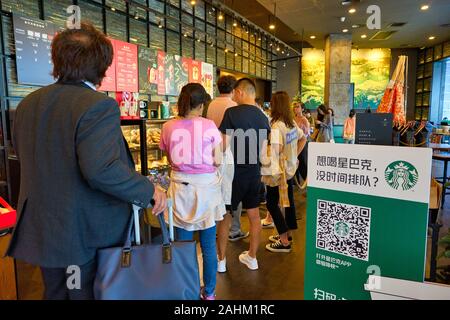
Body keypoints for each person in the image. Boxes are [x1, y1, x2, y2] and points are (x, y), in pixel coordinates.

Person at [5, 23, 166, 300]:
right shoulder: (97, 105)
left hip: (45, 227)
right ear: (102, 64)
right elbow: (101, 170)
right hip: (84, 232)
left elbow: (26, 156)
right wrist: (149, 189)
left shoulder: (28, 104)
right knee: (85, 293)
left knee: (56, 292)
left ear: (57, 60)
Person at [160, 83, 226, 300]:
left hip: (180, 190)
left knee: (183, 246)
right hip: (206, 191)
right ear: (201, 104)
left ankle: (186, 290)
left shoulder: (168, 126)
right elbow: (217, 160)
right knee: (208, 247)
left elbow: (169, 158)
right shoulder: (208, 126)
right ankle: (209, 293)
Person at [218, 78, 271, 270]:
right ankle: (252, 258)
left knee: (225, 216)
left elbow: (222, 146)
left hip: (233, 174)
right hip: (254, 173)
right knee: (254, 216)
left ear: (240, 92)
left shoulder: (231, 113)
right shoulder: (263, 117)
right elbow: (265, 150)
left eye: (235, 93)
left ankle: (222, 261)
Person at [205, 76, 248, 274]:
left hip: (212, 157)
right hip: (230, 157)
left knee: (216, 199)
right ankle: (234, 229)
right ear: (234, 89)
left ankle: (214, 239)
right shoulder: (234, 106)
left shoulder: (210, 105)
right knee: (231, 201)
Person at [263, 92, 306, 253]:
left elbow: (276, 150)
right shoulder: (292, 124)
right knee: (287, 202)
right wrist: (294, 155)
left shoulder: (276, 126)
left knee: (271, 203)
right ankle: (287, 234)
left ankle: (283, 240)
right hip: (289, 168)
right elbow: (303, 138)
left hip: (278, 171)